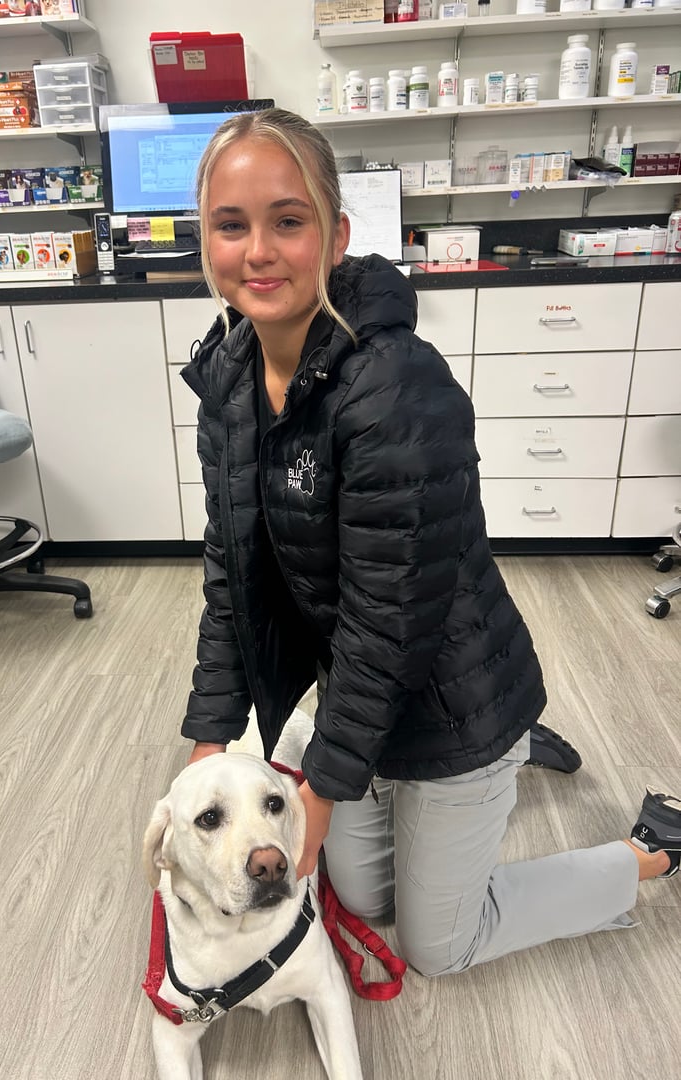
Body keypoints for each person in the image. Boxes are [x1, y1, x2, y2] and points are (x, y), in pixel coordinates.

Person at [179, 107, 680, 977]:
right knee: (365, 902)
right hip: (361, 699)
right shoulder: (227, 376)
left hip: (452, 697)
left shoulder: (397, 388)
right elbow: (233, 576)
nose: (258, 250)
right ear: (208, 239)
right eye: (232, 225)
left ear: (335, 235)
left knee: (436, 945)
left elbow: (388, 624)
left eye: (287, 221)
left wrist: (327, 786)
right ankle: (489, 780)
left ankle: (649, 852)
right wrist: (207, 746)